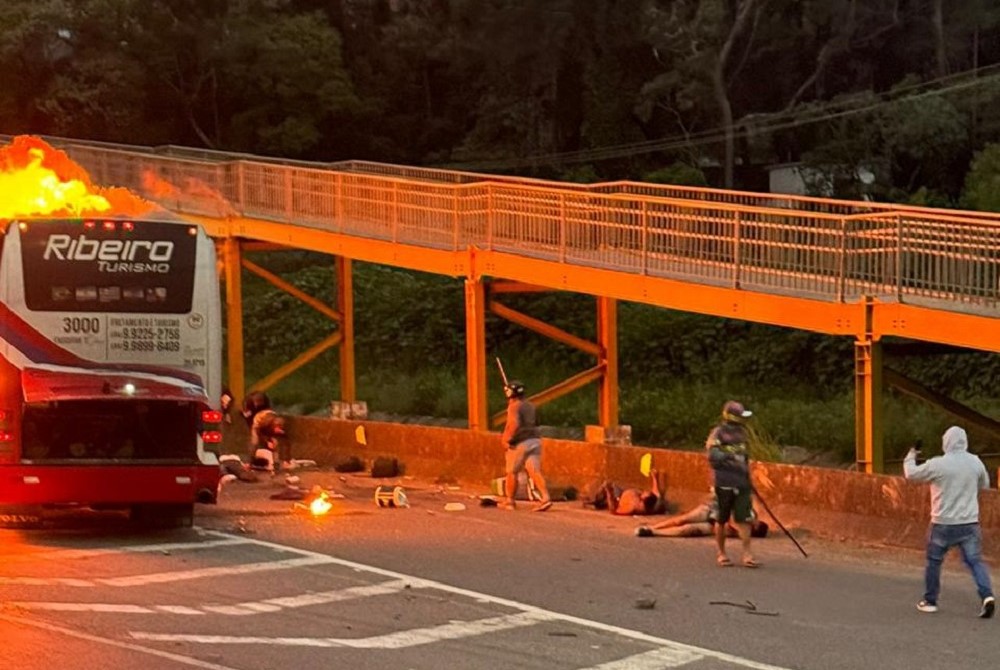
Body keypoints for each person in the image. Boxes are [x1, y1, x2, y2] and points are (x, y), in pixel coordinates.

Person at [904, 426, 995, 618]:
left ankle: (930, 601)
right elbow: (984, 484)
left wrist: (912, 453)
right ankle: (987, 595)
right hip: (969, 523)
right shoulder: (975, 462)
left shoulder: (938, 464)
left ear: (946, 442)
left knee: (934, 561)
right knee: (975, 561)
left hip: (942, 523)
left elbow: (911, 474)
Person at [706, 400, 759, 568]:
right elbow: (713, 458)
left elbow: (745, 458)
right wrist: (730, 455)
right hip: (724, 483)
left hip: (742, 482)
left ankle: (747, 554)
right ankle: (721, 553)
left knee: (744, 519)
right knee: (721, 519)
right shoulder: (718, 434)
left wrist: (748, 477)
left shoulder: (743, 434)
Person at [499, 379, 552, 512]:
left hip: (520, 443)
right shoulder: (530, 405)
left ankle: (510, 501)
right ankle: (545, 498)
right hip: (534, 441)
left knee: (511, 472)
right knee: (534, 471)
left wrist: (506, 439)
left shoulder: (514, 406)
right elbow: (537, 422)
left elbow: (514, 424)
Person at [634, 495, 770, 539]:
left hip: (713, 524)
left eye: (754, 527)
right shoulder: (751, 513)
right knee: (682, 519)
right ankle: (652, 526)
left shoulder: (744, 532)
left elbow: (731, 521)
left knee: (686, 530)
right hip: (711, 510)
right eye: (756, 523)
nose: (753, 523)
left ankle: (654, 532)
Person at [603, 469, 669, 516]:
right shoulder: (653, 506)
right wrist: (655, 478)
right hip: (624, 493)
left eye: (644, 493)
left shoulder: (633, 507)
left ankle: (596, 500)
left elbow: (614, 510)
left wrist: (609, 492)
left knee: (607, 485)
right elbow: (657, 494)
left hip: (618, 497)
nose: (644, 492)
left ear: (643, 499)